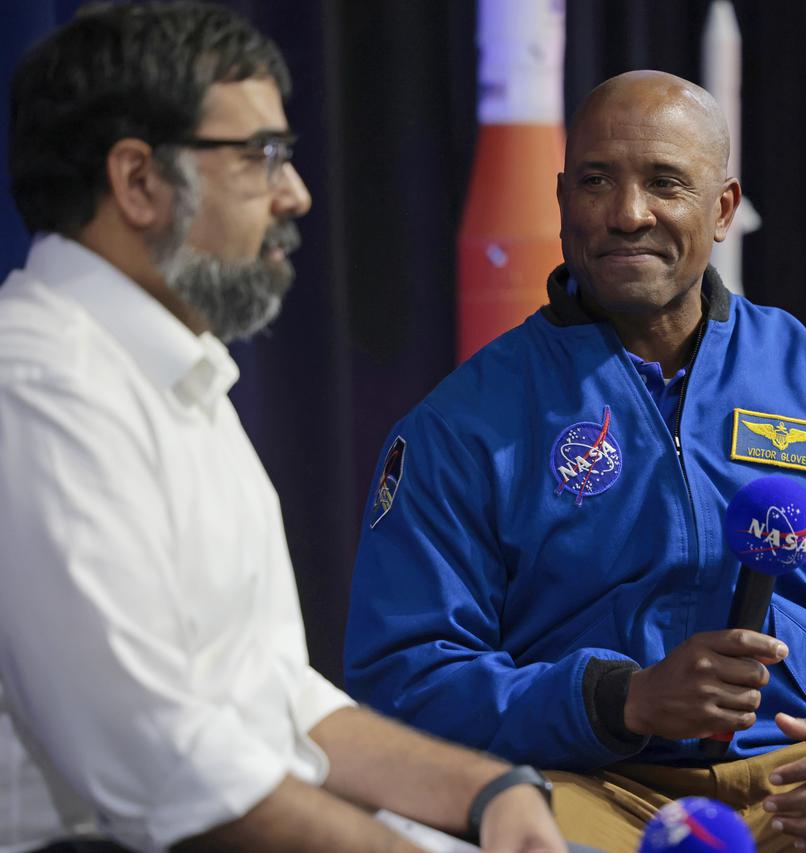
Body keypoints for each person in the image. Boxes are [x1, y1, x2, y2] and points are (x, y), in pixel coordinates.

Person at [344, 71, 806, 852]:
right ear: (560, 200)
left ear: (721, 209)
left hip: (803, 779)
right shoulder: (464, 424)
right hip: (579, 783)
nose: (627, 213)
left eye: (664, 183)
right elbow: (405, 681)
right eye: (595, 182)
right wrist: (619, 699)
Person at [0, 4, 566, 852]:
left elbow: (271, 697)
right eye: (262, 156)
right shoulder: (39, 384)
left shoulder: (173, 372)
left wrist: (489, 790)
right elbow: (164, 765)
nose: (295, 192)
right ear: (139, 182)